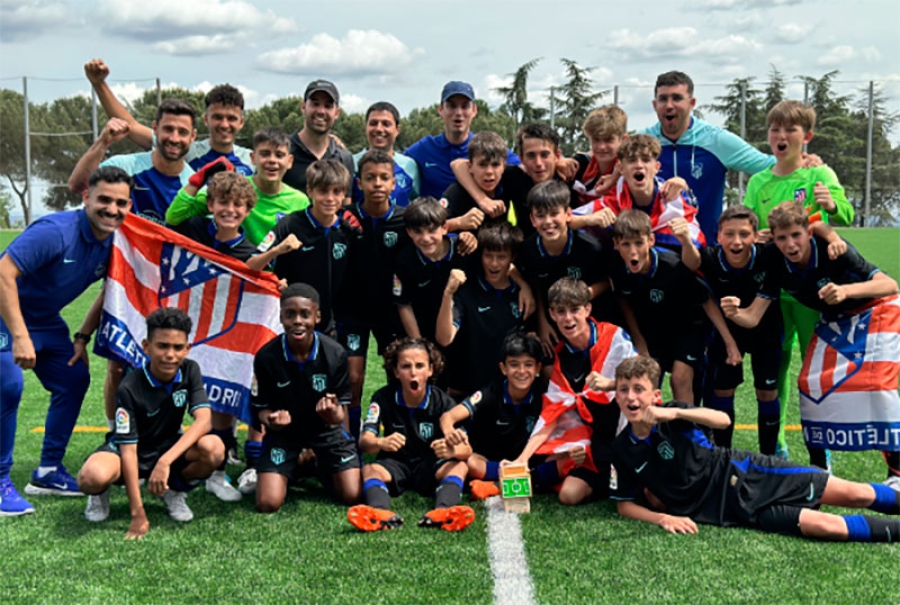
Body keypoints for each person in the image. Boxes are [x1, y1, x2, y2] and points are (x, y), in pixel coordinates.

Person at [610, 356, 900, 542]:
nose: (631, 397)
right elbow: (624, 505)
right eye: (624, 390)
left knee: (856, 494)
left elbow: (721, 421)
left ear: (655, 395)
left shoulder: (673, 416)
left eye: (639, 389)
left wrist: (675, 413)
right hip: (728, 509)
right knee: (827, 527)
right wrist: (663, 518)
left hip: (749, 473)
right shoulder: (622, 449)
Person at [722, 202, 900, 483]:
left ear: (808, 233)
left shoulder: (834, 250)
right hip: (835, 319)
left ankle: (897, 471)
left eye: (796, 235)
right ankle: (820, 470)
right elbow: (754, 316)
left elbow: (889, 285)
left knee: (876, 384)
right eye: (782, 238)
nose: (790, 244)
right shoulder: (773, 259)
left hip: (876, 310)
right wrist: (733, 314)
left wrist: (845, 290)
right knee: (809, 384)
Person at [0, 166, 133, 516]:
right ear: (86, 196)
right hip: (6, 315)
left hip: (46, 321)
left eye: (121, 203)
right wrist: (19, 336)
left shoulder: (116, 241)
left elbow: (109, 291)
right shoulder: (56, 232)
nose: (112, 209)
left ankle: (47, 472)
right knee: (8, 386)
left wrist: (81, 337)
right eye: (104, 199)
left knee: (73, 379)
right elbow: (3, 273)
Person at [743, 100, 856, 462]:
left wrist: (834, 206)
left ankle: (822, 456)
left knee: (814, 375)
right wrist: (755, 236)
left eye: (790, 129)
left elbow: (847, 214)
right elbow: (749, 226)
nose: (781, 135)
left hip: (813, 295)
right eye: (775, 129)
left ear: (805, 137)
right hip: (774, 292)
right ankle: (775, 448)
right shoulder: (759, 181)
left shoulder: (818, 176)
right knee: (774, 371)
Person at [76, 308, 224, 538]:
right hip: (130, 449)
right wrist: (138, 513)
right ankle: (99, 494)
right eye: (162, 346)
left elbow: (204, 422)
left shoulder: (190, 370)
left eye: (177, 348)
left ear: (187, 349)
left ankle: (172, 490)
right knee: (91, 477)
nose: (170, 355)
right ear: (146, 346)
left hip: (166, 447)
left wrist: (165, 462)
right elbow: (129, 450)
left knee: (214, 448)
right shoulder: (129, 387)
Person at [508, 278, 637, 505]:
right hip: (596, 440)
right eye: (560, 311)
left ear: (587, 309)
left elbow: (644, 386)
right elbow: (551, 415)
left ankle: (620, 476)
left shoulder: (614, 338)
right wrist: (521, 459)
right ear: (552, 315)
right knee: (568, 495)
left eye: (575, 310)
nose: (568, 318)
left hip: (631, 435)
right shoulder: (561, 355)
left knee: (648, 496)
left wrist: (610, 384)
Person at [609, 210, 740, 403]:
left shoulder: (672, 265)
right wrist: (639, 340)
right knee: (644, 380)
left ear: (651, 241)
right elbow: (624, 300)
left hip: (689, 326)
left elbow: (706, 299)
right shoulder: (618, 267)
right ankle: (648, 431)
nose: (633, 251)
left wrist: (729, 341)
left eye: (638, 243)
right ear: (616, 245)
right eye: (626, 244)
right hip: (654, 328)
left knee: (680, 379)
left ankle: (685, 432)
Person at [251, 284, 361, 513]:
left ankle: (316, 463)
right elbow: (259, 408)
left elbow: (342, 408)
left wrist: (333, 414)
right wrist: (271, 419)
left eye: (305, 314)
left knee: (352, 494)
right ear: (280, 316)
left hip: (325, 431)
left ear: (317, 316)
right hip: (285, 435)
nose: (297, 321)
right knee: (267, 503)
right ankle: (298, 464)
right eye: (290, 314)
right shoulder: (266, 357)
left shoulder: (335, 353)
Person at [347, 337, 475, 532]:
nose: (413, 372)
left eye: (420, 366)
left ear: (431, 370)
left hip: (430, 464)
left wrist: (452, 451)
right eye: (406, 366)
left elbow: (467, 450)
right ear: (396, 371)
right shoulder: (383, 397)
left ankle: (444, 512)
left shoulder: (444, 402)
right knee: (370, 470)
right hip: (396, 463)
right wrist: (381, 443)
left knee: (459, 467)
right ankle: (380, 513)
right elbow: (365, 441)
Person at [640, 71, 775, 242]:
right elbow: (608, 162)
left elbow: (768, 165)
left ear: (692, 103)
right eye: (663, 99)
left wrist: (803, 161)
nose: (669, 105)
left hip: (707, 248)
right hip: (654, 251)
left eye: (677, 98)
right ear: (654, 104)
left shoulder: (715, 139)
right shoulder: (643, 142)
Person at [338, 149, 408, 436]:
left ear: (394, 183)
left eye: (384, 178)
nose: (377, 184)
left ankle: (399, 436)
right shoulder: (344, 219)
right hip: (352, 311)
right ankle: (349, 444)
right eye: (370, 178)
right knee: (353, 378)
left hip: (391, 313)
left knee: (398, 375)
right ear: (359, 182)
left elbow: (437, 232)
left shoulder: (406, 220)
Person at [83, 59, 253, 176]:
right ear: (206, 119)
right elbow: (130, 126)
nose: (224, 124)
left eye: (231, 118)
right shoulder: (185, 148)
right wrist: (99, 84)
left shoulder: (254, 160)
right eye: (217, 117)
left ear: (242, 122)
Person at [438, 332, 551, 500]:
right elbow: (448, 417)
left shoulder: (545, 394)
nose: (521, 371)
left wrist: (521, 463)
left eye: (528, 364)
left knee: (566, 457)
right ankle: (522, 480)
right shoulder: (491, 392)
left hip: (528, 461)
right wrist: (450, 435)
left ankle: (498, 485)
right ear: (503, 368)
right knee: (470, 463)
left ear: (538, 369)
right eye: (514, 365)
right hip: (493, 461)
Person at [256, 160, 363, 335]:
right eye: (322, 191)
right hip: (292, 320)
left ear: (344, 193)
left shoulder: (349, 230)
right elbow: (255, 262)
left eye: (336, 192)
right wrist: (277, 252)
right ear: (309, 191)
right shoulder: (289, 224)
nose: (330, 198)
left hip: (332, 324)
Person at [166, 126, 310, 246]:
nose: (272, 160)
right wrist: (198, 179)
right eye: (265, 154)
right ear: (253, 158)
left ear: (290, 161)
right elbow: (174, 217)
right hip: (236, 273)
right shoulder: (233, 189)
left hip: (278, 278)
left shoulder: (300, 201)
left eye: (279, 155)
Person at [514, 181, 606, 356]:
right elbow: (534, 283)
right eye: (540, 216)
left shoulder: (590, 247)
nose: (548, 222)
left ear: (568, 214)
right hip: (552, 319)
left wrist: (582, 296)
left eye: (554, 214)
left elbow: (607, 280)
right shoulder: (528, 249)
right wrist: (542, 322)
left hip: (588, 318)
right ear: (532, 220)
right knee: (549, 367)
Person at [68, 100, 198, 224]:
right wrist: (103, 142)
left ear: (193, 136)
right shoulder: (124, 167)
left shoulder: (194, 188)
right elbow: (79, 186)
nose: (174, 138)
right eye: (168, 129)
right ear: (155, 128)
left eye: (183, 132)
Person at [435, 222, 526, 396]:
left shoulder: (521, 294)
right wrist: (448, 294)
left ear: (512, 257)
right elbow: (444, 338)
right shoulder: (467, 292)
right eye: (488, 256)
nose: (493, 263)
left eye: (501, 257)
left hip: (509, 393)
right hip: (468, 391)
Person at [570, 134, 701, 252]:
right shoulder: (613, 202)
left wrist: (686, 240)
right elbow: (567, 219)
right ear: (621, 168)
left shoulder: (674, 199)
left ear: (656, 168)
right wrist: (588, 219)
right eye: (632, 160)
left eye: (645, 160)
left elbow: (698, 245)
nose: (639, 165)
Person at [406, 81, 518, 199]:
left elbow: (523, 169)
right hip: (436, 216)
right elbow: (396, 167)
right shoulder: (424, 148)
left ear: (474, 111)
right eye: (452, 106)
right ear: (440, 110)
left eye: (465, 106)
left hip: (479, 216)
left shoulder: (486, 148)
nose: (458, 113)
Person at [392, 197, 477, 345]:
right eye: (418, 231)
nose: (426, 238)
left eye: (432, 230)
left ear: (445, 228)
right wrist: (419, 344)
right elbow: (404, 305)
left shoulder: (462, 249)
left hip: (462, 330)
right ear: (409, 232)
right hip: (424, 329)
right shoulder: (404, 260)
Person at [282, 80, 354, 195]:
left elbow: (345, 206)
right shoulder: (283, 151)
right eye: (315, 104)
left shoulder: (344, 158)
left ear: (337, 113)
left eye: (328, 106)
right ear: (303, 107)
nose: (321, 111)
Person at [351, 102, 420, 207]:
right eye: (373, 123)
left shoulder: (409, 165)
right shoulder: (351, 163)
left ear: (397, 130)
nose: (379, 129)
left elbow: (416, 202)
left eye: (386, 124)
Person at [571, 105, 628, 205]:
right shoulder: (581, 166)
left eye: (608, 140)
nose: (601, 147)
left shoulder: (629, 173)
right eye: (596, 139)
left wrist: (616, 176)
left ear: (623, 140)